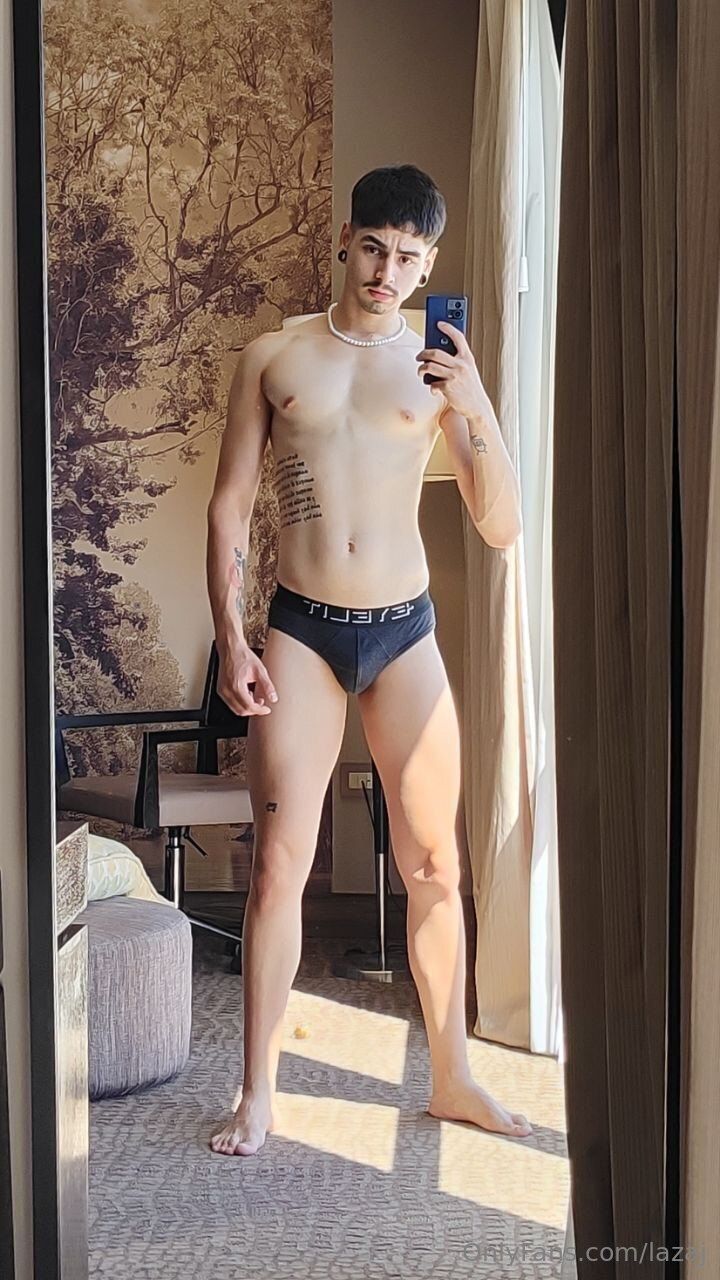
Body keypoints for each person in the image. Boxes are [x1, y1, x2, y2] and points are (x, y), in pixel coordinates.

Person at [206, 164, 529, 1156]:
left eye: (410, 257)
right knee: (279, 868)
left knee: (434, 862)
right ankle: (257, 1092)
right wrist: (232, 637)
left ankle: (453, 1077)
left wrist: (474, 401)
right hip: (302, 628)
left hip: (405, 632)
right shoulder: (275, 355)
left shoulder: (438, 370)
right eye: (376, 248)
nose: (388, 271)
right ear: (346, 240)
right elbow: (230, 506)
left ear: (430, 264)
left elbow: (501, 524)